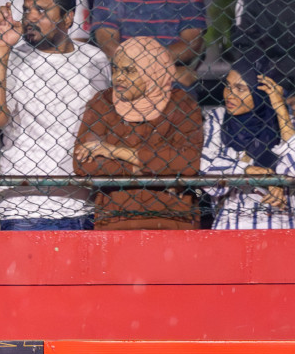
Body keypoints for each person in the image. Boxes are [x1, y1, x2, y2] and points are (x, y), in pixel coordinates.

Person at [0, 0, 111, 230]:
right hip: (23, 205)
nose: (31, 17)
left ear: (68, 18)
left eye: (42, 10)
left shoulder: (95, 60)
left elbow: (107, 123)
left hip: (83, 204)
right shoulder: (11, 59)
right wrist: (2, 48)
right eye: (26, 10)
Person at [74, 37, 203, 230]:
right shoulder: (103, 102)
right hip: (115, 220)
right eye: (116, 68)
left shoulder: (182, 104)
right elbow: (84, 164)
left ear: (153, 71)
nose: (118, 77)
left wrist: (114, 151)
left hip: (173, 220)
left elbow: (188, 161)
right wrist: (150, 169)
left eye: (129, 71)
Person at [200, 58, 295, 229]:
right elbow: (205, 166)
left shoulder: (288, 124)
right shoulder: (218, 118)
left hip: (278, 226)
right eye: (228, 85)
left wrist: (279, 108)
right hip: (230, 227)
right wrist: (255, 173)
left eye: (240, 88)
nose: (229, 94)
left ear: (261, 92)